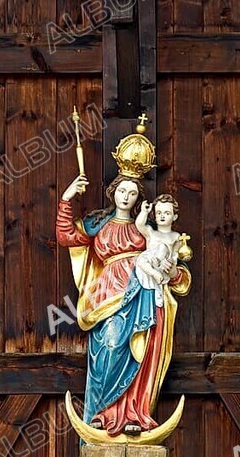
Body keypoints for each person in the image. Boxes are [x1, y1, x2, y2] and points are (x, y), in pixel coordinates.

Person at [56, 174, 191, 436]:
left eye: (131, 192)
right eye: (122, 191)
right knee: (111, 346)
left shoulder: (148, 229)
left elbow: (179, 275)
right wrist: (67, 198)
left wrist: (171, 271)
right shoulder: (98, 224)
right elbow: (66, 236)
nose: (126, 197)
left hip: (143, 295)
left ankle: (134, 414)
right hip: (107, 295)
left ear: (138, 197)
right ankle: (102, 414)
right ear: (113, 193)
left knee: (141, 353)